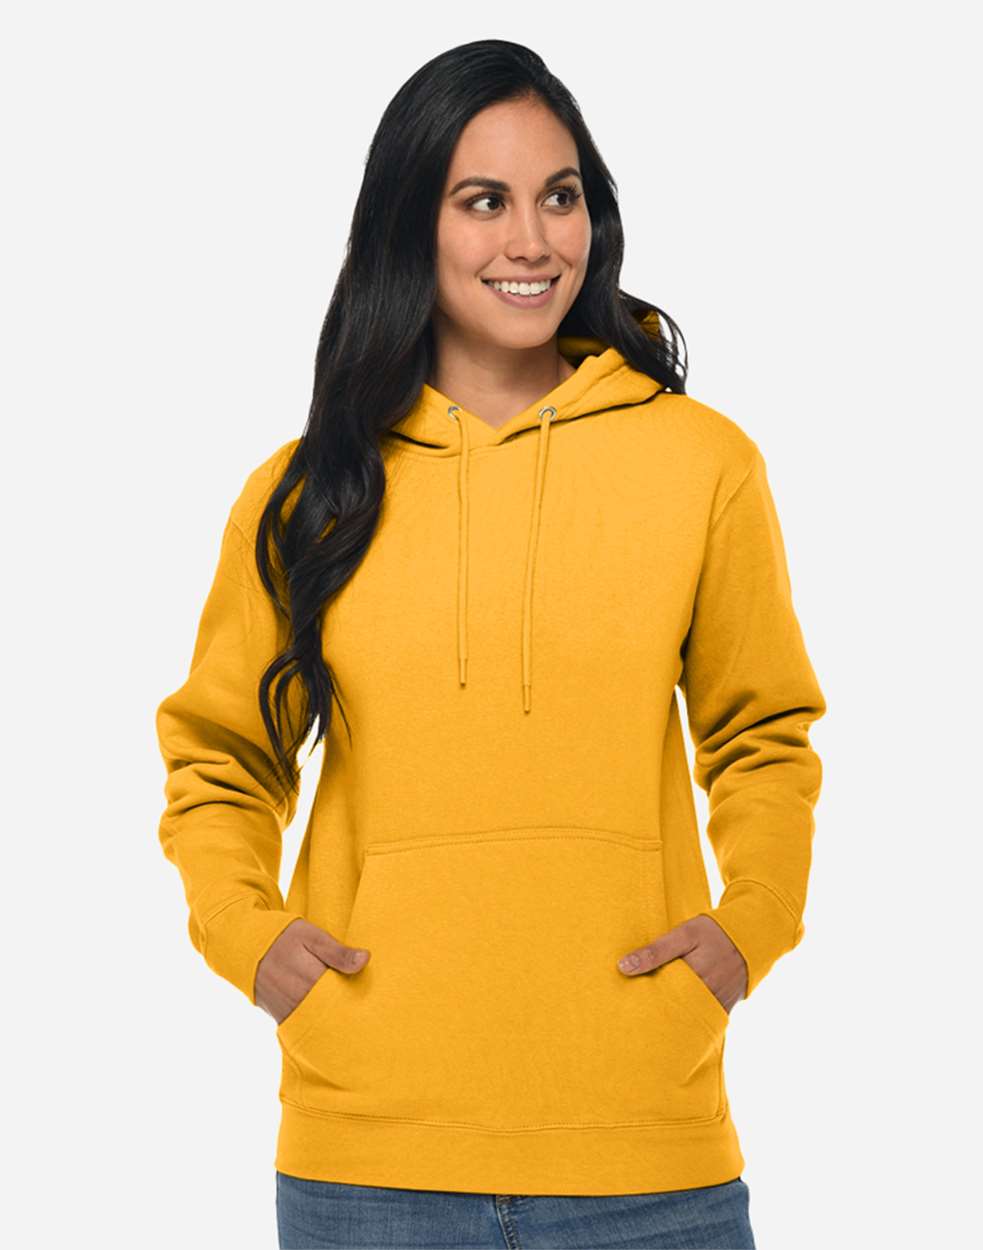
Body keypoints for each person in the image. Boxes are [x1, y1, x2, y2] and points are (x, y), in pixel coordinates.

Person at [154, 38, 826, 1250]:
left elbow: (763, 737)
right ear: (410, 221)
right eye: (484, 201)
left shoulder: (701, 464)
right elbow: (219, 757)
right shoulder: (307, 493)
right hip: (368, 1154)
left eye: (559, 196)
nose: (532, 240)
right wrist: (252, 941)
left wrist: (746, 930)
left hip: (645, 1143)